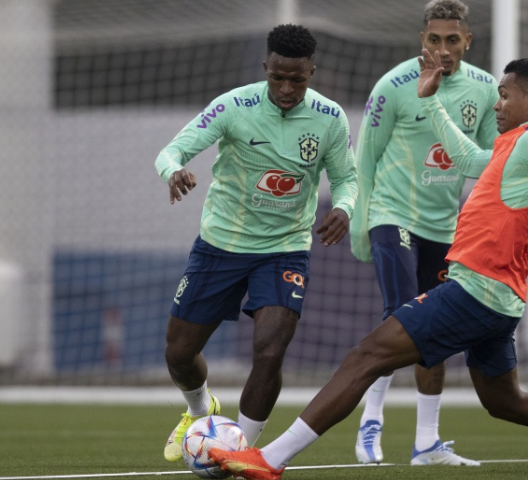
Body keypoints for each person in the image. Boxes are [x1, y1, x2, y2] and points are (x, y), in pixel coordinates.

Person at [209, 50, 528, 479]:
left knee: (365, 356)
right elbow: (465, 158)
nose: (496, 104)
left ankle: (270, 460)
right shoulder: (513, 145)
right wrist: (431, 103)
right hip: (496, 297)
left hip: (476, 291)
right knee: (505, 400)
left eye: (505, 95)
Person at [153, 24, 357, 462]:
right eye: (277, 77)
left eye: (296, 80)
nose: (286, 89)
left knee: (270, 351)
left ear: (311, 72)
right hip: (221, 245)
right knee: (179, 353)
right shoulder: (233, 105)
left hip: (285, 249)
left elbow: (346, 178)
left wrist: (344, 208)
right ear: (266, 67)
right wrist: (174, 171)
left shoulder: (329, 118)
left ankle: (239, 451)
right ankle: (199, 409)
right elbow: (171, 152)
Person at [349, 0, 497, 466]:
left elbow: (488, 163)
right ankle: (371, 420)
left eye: (452, 40)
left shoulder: (486, 89)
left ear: (468, 40)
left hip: (445, 227)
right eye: (434, 39)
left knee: (436, 328)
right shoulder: (393, 86)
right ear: (422, 40)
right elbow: (365, 159)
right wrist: (360, 224)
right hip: (392, 214)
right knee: (400, 314)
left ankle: (427, 444)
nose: (443, 49)